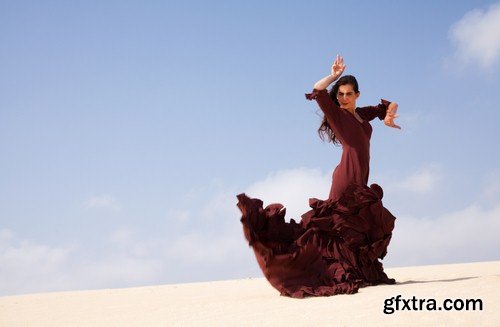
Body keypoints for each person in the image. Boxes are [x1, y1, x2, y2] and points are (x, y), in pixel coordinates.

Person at [236, 55, 400, 298]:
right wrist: (333, 76)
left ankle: (351, 270)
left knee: (352, 227)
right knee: (338, 226)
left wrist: (387, 117)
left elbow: (390, 104)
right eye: (340, 94)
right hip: (346, 177)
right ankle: (327, 270)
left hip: (361, 175)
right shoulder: (339, 115)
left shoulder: (360, 115)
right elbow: (317, 90)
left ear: (357, 94)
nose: (343, 98)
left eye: (348, 94)